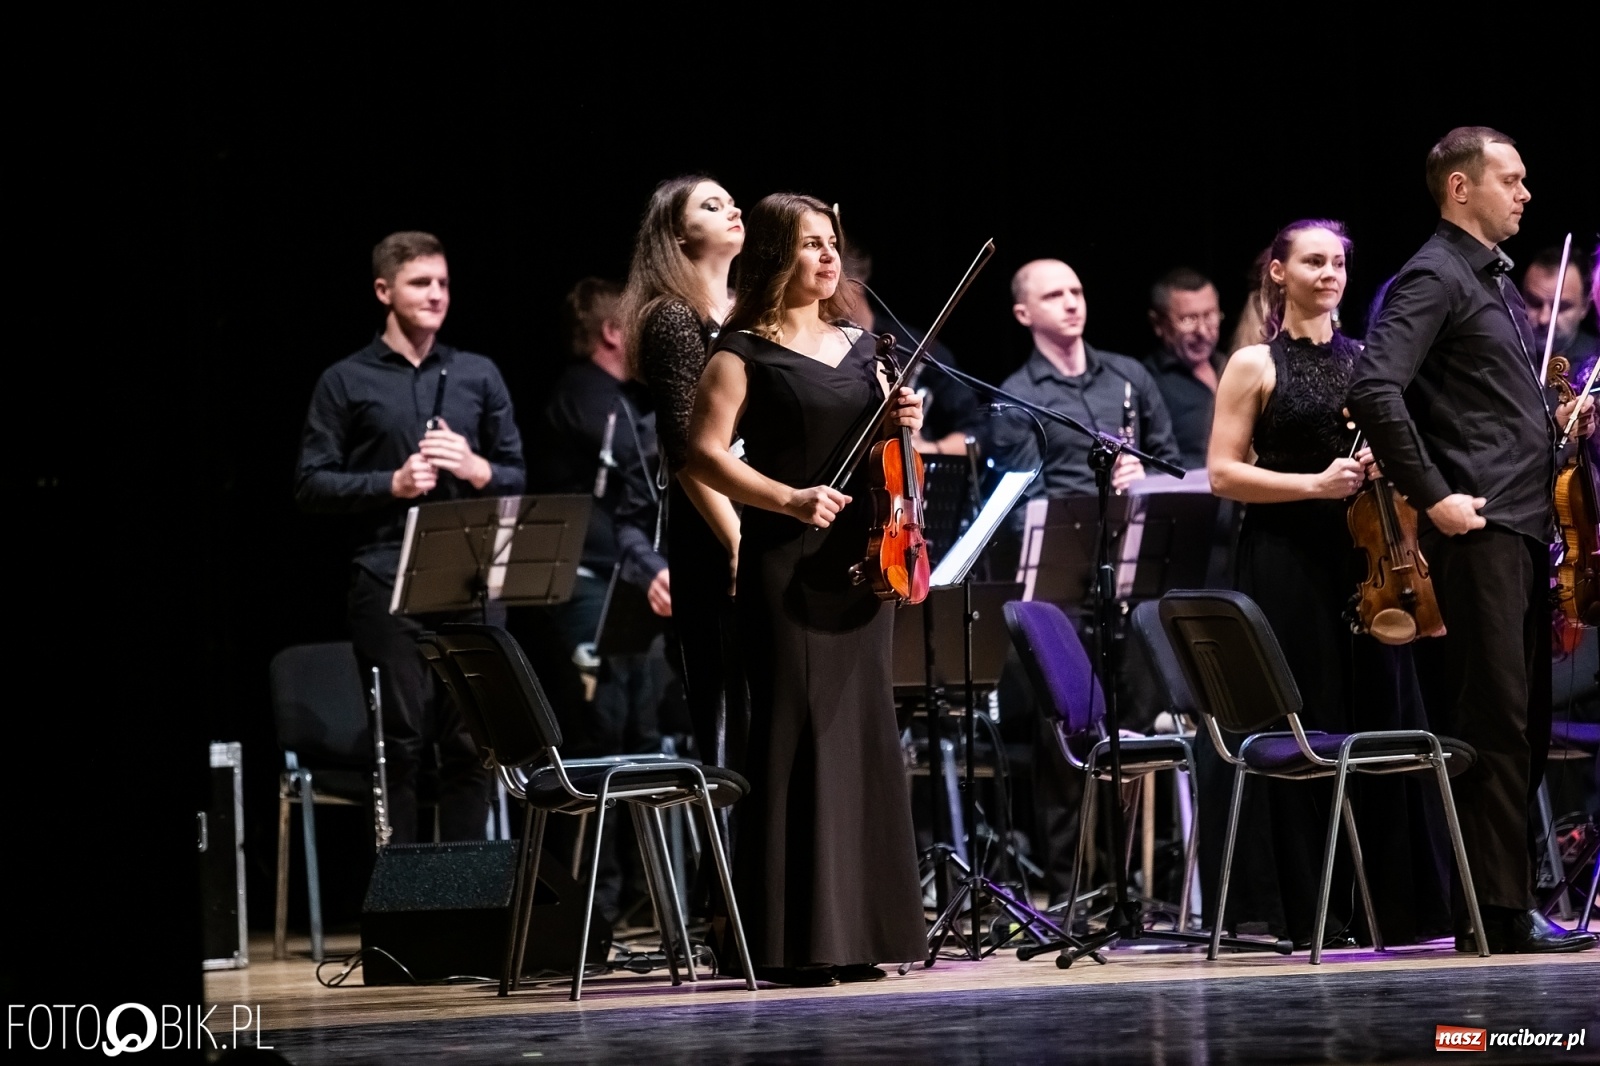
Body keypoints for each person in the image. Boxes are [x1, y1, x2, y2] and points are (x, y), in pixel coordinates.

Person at [1347, 126, 1597, 953]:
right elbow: (1375, 388)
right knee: (1494, 725)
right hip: (1478, 531)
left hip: (1522, 526)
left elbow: (1487, 409)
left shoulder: (1488, 280)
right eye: (1511, 180)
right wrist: (1435, 495)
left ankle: (1503, 903)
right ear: (1461, 188)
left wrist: (1556, 425)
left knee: (1521, 725)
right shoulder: (1433, 274)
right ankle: (1495, 914)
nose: (1526, 194)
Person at [684, 193, 927, 984]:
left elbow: (892, 459)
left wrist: (907, 423)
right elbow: (700, 455)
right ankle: (789, 940)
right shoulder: (741, 353)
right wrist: (787, 498)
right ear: (774, 258)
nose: (828, 257)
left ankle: (857, 934)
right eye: (809, 245)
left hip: (862, 566)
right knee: (799, 738)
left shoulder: (865, 347)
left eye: (831, 244)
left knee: (862, 742)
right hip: (786, 565)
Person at [1207, 219, 1450, 947]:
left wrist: (1385, 461)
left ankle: (1392, 909)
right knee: (1307, 723)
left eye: (1338, 262)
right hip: (1287, 563)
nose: (1329, 274)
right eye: (1313, 261)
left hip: (1368, 560)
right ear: (1279, 273)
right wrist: (1314, 484)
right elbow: (1222, 472)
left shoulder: (1370, 362)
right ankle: (1311, 911)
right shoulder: (1254, 363)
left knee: (1378, 715)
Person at [295, 231, 526, 844]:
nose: (436, 295)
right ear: (384, 291)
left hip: (471, 578)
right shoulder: (346, 379)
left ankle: (463, 890)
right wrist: (390, 483)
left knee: (471, 745)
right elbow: (311, 483)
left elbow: (516, 475)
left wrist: (475, 468)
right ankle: (403, 893)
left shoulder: (477, 373)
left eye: (443, 283)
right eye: (421, 283)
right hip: (386, 577)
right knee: (398, 743)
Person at [620, 175, 747, 770]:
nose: (733, 210)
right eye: (712, 206)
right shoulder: (673, 317)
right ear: (677, 234)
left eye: (732, 202)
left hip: (764, 511)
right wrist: (738, 541)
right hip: (716, 527)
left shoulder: (751, 312)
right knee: (733, 720)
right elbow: (688, 453)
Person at [990, 259, 1183, 498]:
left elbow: (1171, 464)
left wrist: (1145, 481)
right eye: (1053, 296)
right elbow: (1027, 503)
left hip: (1138, 517)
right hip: (1066, 521)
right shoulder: (1016, 396)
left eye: (1077, 292)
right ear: (1023, 314)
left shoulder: (1130, 373)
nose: (1072, 304)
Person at [1145, 267, 1228, 469]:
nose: (1202, 331)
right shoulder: (1148, 382)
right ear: (1158, 324)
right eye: (1188, 319)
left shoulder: (1232, 365)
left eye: (1209, 315)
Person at [1521, 245, 1598, 373]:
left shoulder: (1595, 365)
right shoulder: (1502, 351)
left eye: (1560, 307)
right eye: (1534, 303)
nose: (1543, 319)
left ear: (1585, 306)